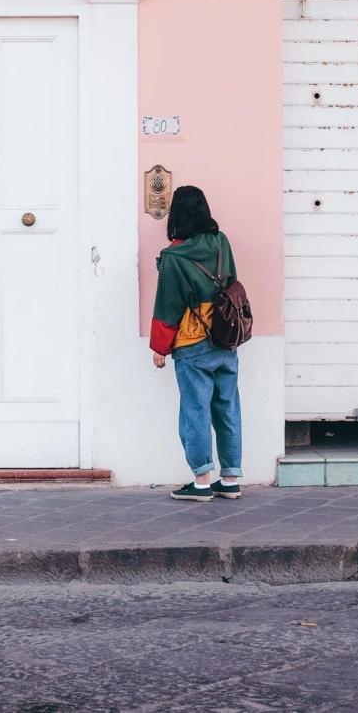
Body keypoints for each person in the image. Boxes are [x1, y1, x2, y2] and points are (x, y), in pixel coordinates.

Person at [149, 185, 243, 502]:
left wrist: (160, 348)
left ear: (177, 215)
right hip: (225, 336)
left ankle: (202, 481)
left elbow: (168, 307)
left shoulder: (173, 258)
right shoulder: (221, 242)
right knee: (228, 409)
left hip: (192, 341)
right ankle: (229, 479)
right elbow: (231, 284)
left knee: (195, 411)